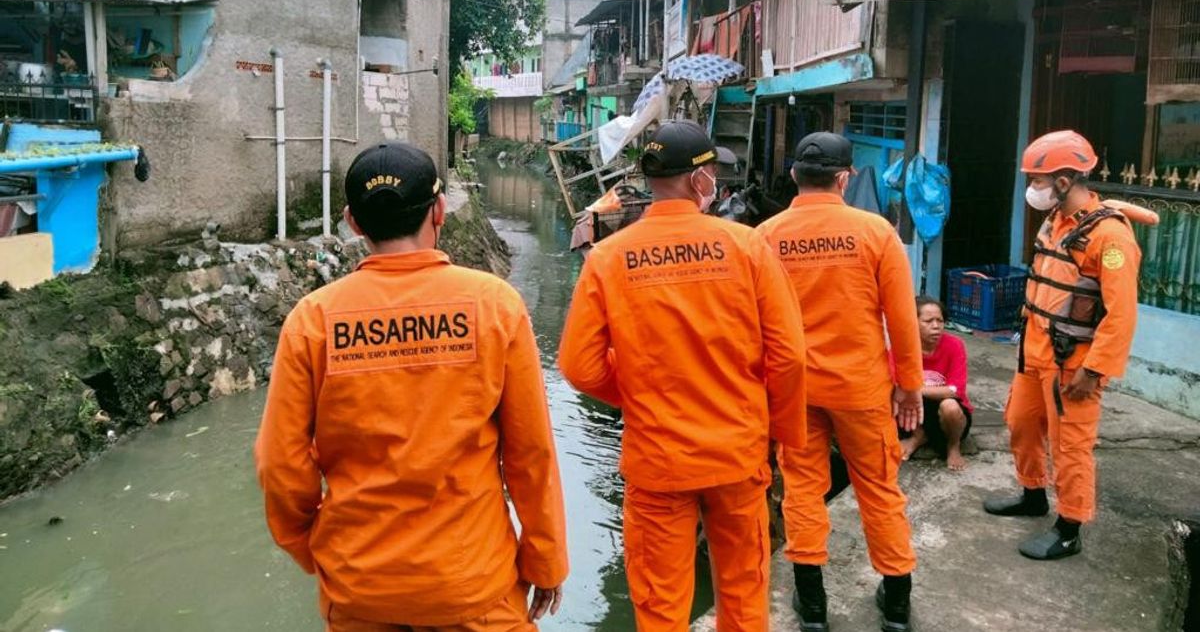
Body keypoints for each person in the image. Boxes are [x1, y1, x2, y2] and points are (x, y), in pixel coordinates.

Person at [255, 142, 569, 631]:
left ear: (353, 222)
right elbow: (531, 453)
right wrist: (545, 557)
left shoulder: (314, 320)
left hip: (360, 586)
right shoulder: (493, 306)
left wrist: (315, 548)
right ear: (439, 210)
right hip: (472, 583)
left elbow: (280, 464)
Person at [558, 120, 808, 632]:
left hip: (657, 461)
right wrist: (781, 435)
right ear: (700, 179)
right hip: (737, 453)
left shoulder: (608, 257)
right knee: (743, 593)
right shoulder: (747, 246)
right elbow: (788, 357)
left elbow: (579, 366)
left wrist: (638, 392)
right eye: (713, 171)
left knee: (660, 604)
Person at [754, 132, 922, 632]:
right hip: (861, 389)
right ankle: (895, 606)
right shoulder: (875, 232)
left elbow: (754, 323)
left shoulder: (765, 236)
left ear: (793, 178)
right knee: (879, 489)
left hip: (795, 391)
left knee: (802, 490)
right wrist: (909, 383)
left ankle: (813, 608)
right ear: (845, 179)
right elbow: (902, 317)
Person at [984, 130, 1140, 561]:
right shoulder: (1056, 220)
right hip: (1034, 350)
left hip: (1074, 363)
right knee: (1020, 422)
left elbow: (1121, 313)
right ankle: (1032, 493)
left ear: (1065, 180)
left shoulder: (1111, 238)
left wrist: (1094, 371)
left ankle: (1069, 527)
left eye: (1038, 180)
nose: (1032, 189)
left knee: (1070, 445)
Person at [898, 296, 974, 471]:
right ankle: (918, 436)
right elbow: (894, 383)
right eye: (928, 321)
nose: (936, 326)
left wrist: (914, 390)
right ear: (913, 322)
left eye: (940, 320)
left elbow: (956, 390)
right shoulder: (902, 346)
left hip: (946, 416)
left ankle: (953, 446)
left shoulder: (955, 345)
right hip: (912, 414)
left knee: (950, 406)